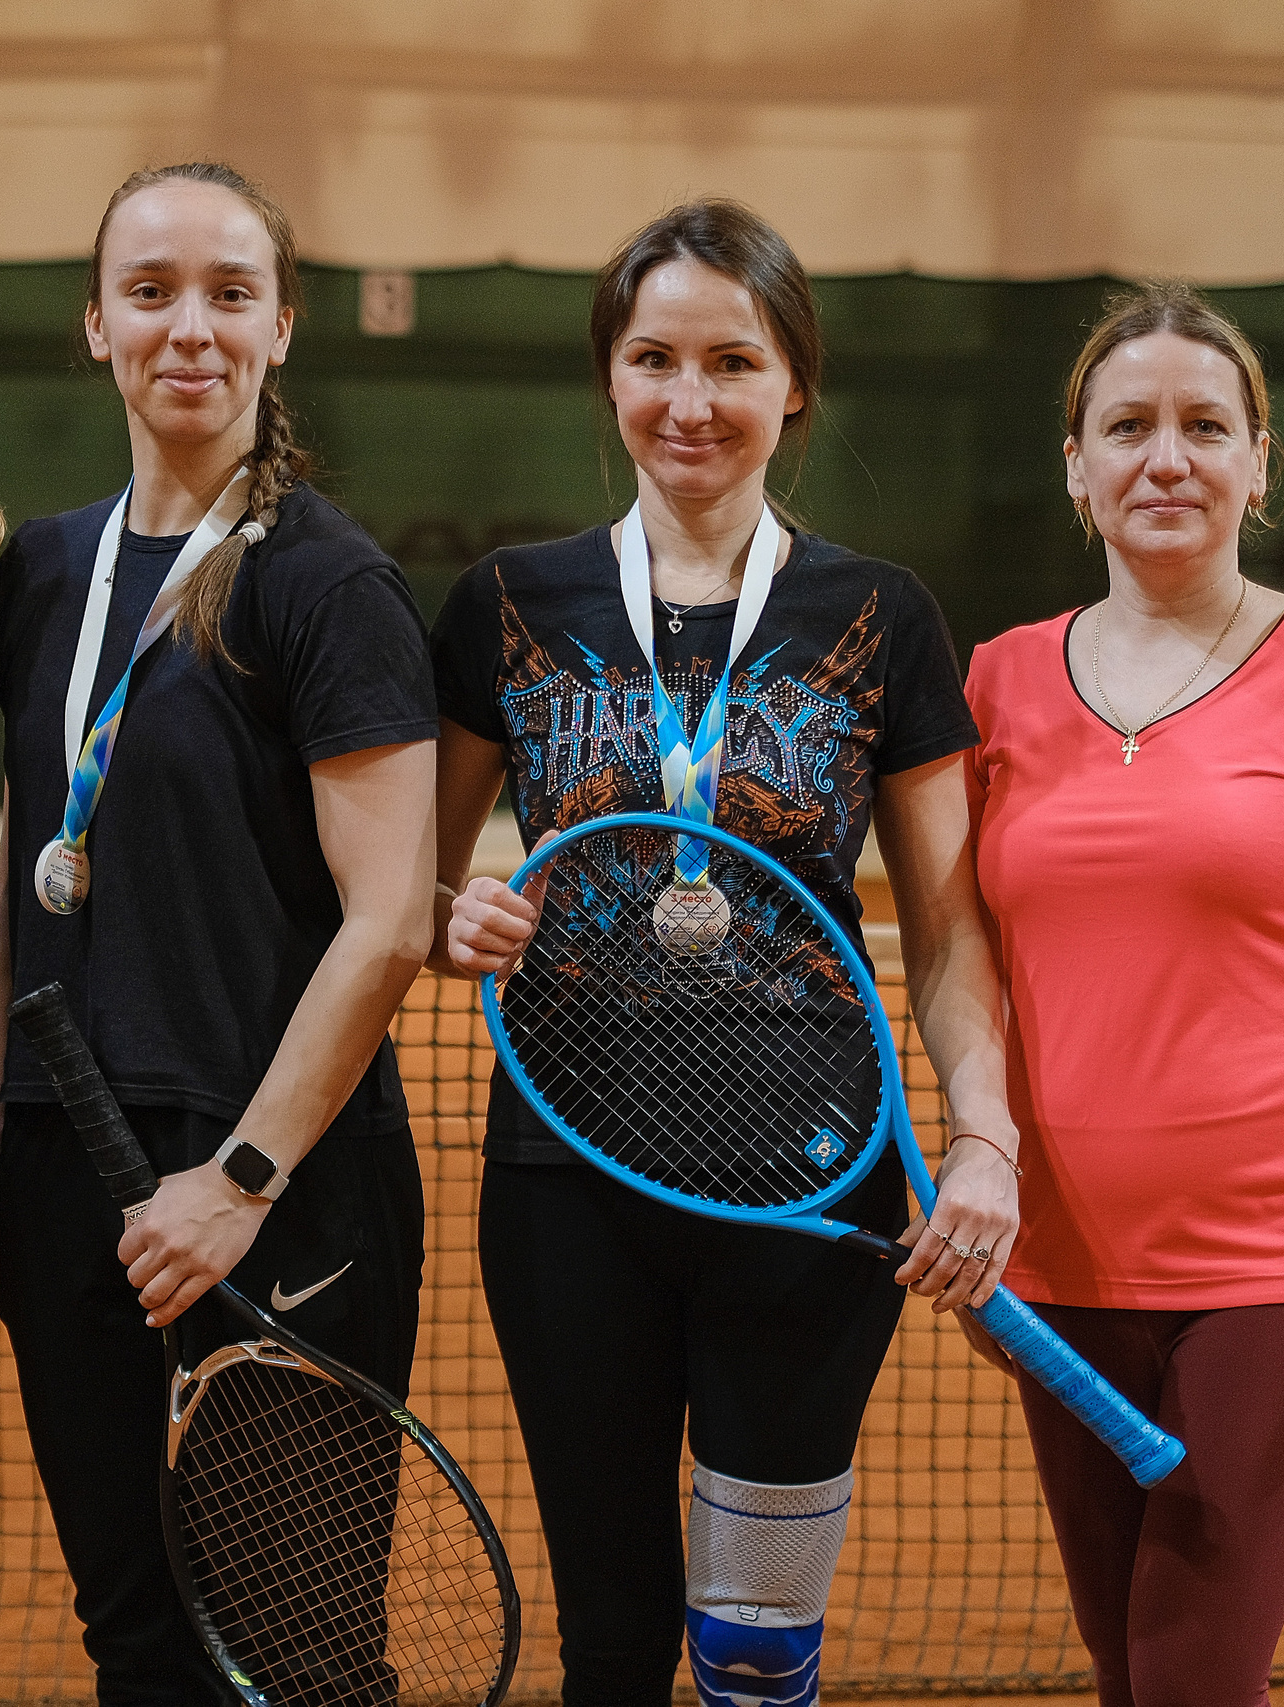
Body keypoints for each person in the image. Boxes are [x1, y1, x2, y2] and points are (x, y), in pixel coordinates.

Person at [433, 199, 1022, 1707]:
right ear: (611, 377)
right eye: (652, 359)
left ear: (792, 385)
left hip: (812, 1182)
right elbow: (416, 890)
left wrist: (985, 1142)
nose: (688, 401)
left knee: (759, 1658)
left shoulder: (882, 616)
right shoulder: (507, 604)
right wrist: (458, 919)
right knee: (614, 1648)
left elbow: (950, 930)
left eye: (731, 362)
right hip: (571, 1190)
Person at [962, 282, 1284, 1705]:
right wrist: (984, 1159)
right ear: (1076, 468)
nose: (1164, 457)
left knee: (1188, 1674)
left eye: (1203, 426)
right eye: (1126, 427)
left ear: (1257, 461)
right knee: (1131, 1668)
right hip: (1057, 1269)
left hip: (1283, 1259)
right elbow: (971, 965)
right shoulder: (997, 684)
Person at [0, 162, 438, 1704]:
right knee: (138, 1644)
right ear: (95, 324)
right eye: (155, 290)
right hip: (66, 1173)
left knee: (294, 1669)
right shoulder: (39, 571)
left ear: (283, 329)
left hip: (278, 1194)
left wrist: (241, 1180)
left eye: (232, 293)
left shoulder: (329, 585)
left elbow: (385, 924)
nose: (193, 327)